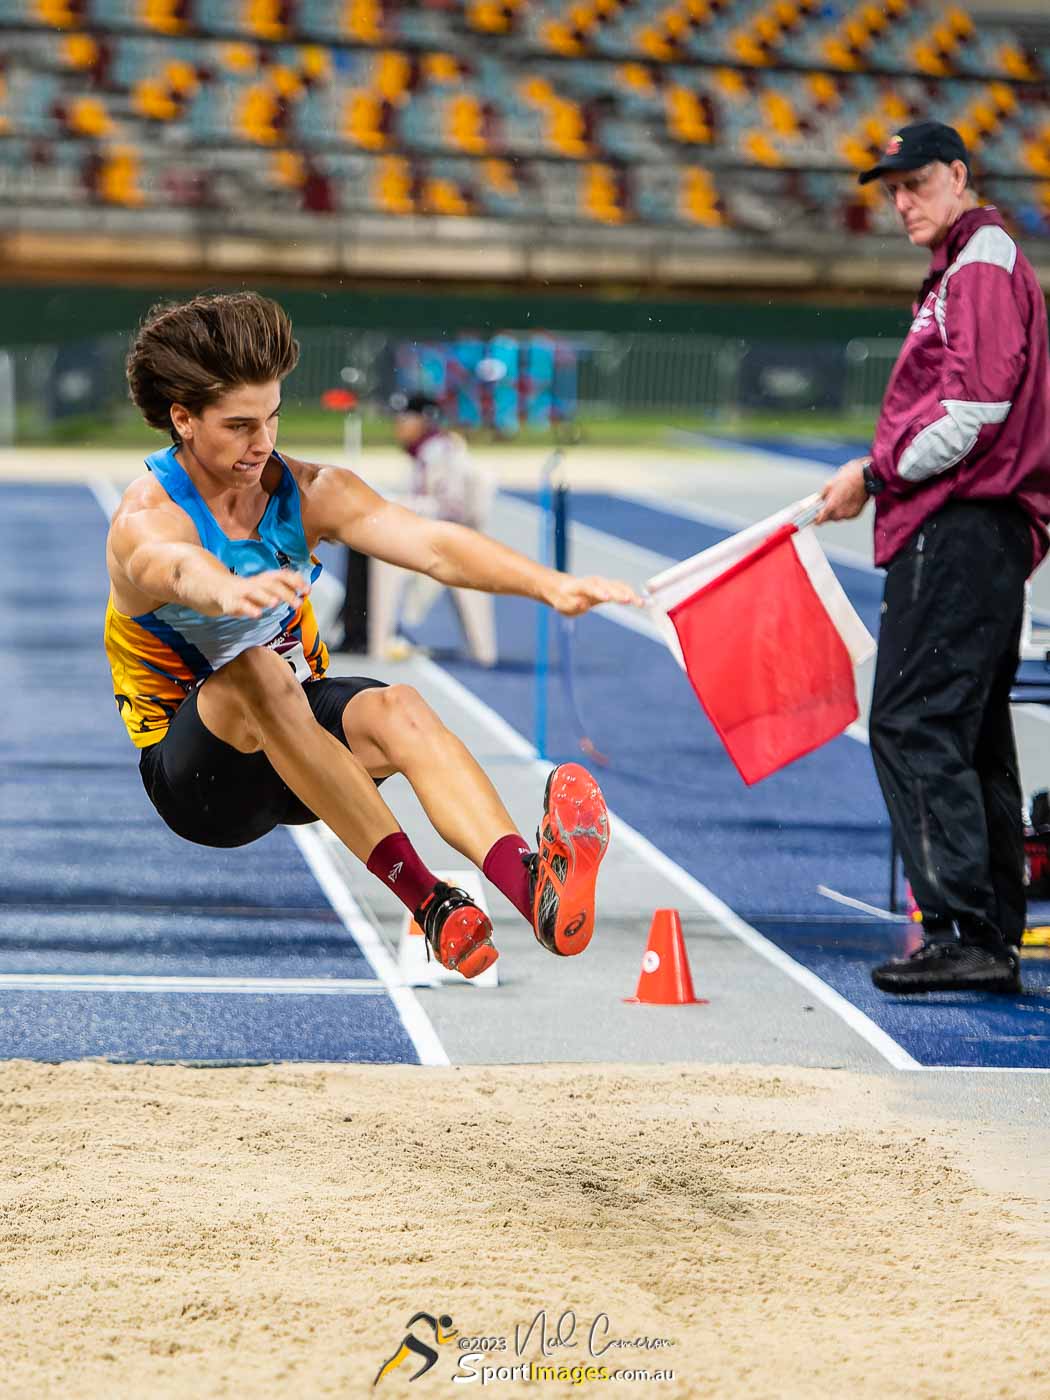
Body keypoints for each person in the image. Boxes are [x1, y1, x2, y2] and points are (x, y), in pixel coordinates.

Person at [106, 292, 641, 980]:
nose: (262, 442)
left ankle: (532, 887)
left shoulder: (309, 490)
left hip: (306, 753)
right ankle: (432, 904)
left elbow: (434, 546)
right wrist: (225, 589)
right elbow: (167, 565)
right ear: (182, 419)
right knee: (255, 672)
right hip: (203, 782)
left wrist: (547, 584)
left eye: (271, 417)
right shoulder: (145, 516)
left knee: (401, 707)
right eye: (239, 425)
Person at [817, 121, 1050, 995]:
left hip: (961, 526)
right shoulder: (973, 261)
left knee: (910, 723)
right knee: (973, 734)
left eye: (917, 182)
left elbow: (975, 408)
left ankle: (961, 929)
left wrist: (874, 474)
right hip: (983, 532)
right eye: (893, 189)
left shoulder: (981, 261)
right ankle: (989, 933)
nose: (902, 201)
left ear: (959, 174)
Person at [390, 391, 498, 666]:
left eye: (405, 419)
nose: (398, 426)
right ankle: (368, 630)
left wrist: (401, 507)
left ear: (425, 421)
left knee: (379, 549)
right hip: (438, 531)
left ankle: (383, 630)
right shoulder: (427, 450)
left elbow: (450, 507)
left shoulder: (439, 452)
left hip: (452, 537)